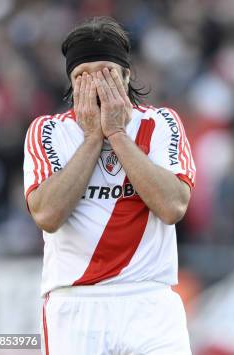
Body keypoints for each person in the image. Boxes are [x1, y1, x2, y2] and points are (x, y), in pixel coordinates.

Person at [23, 17, 195, 355]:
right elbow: (47, 214)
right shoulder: (48, 131)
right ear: (71, 85)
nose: (95, 85)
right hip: (76, 302)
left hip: (149, 300)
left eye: (106, 73)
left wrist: (116, 134)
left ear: (127, 75)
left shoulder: (161, 123)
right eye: (82, 77)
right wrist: (92, 139)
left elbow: (174, 206)